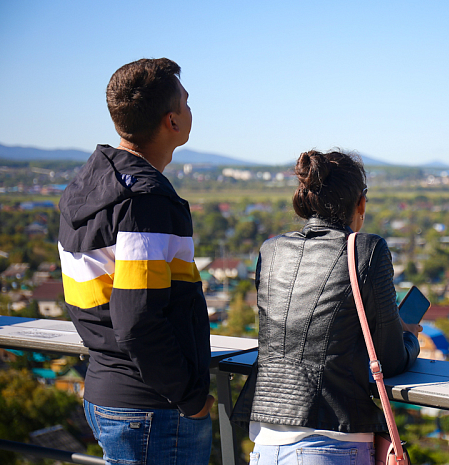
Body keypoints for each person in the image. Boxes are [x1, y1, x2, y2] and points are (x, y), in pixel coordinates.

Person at [58, 58, 214, 465]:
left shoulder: (89, 185)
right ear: (172, 122)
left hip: (109, 392)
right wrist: (189, 398)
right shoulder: (145, 202)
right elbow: (138, 320)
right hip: (153, 410)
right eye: (186, 100)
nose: (189, 107)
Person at [247, 149, 421, 465]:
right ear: (361, 202)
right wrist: (409, 337)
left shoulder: (270, 251)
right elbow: (391, 360)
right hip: (330, 443)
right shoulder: (367, 250)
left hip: (265, 443)